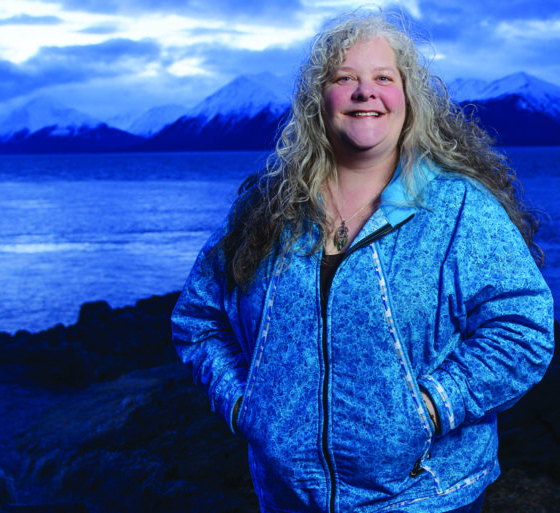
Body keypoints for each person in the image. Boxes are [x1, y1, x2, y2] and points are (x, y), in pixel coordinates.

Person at [171, 11, 554, 513]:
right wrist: (246, 404)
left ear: (408, 99)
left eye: (383, 78)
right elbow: (198, 320)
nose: (364, 92)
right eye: (344, 77)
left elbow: (525, 329)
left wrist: (432, 408)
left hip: (427, 498)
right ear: (318, 99)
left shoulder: (460, 209)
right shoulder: (266, 211)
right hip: (290, 500)